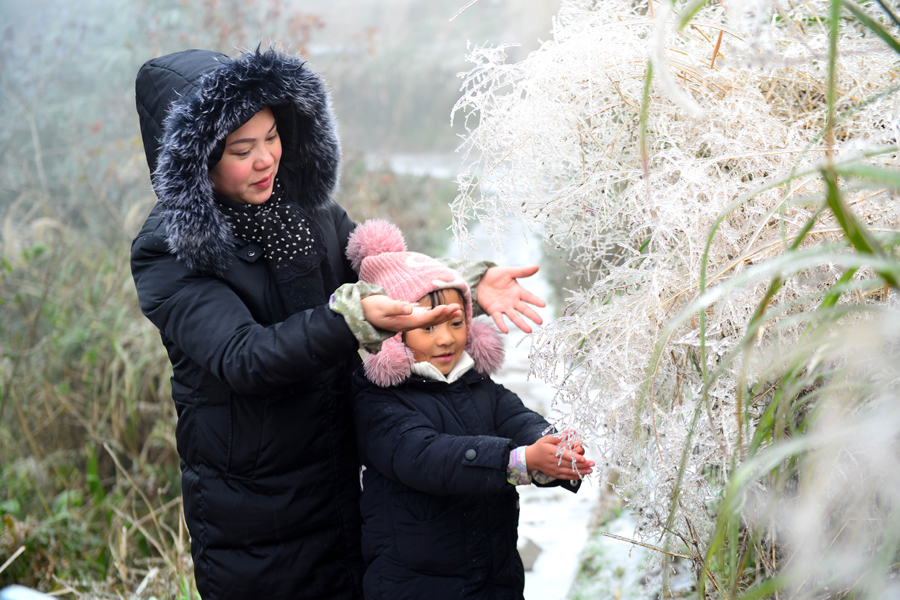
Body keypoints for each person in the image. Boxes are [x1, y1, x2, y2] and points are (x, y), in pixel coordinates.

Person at [131, 47, 548, 599]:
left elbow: (387, 274)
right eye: (241, 149)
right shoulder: (170, 251)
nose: (266, 160)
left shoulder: (309, 213)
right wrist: (348, 321)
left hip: (347, 485)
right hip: (261, 516)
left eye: (272, 137)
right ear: (195, 160)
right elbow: (243, 357)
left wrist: (469, 282)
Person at [348, 219, 595, 600]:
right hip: (415, 587)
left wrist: (550, 448)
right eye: (428, 327)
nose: (446, 338)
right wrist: (517, 461)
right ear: (394, 335)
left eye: (456, 322)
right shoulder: (379, 400)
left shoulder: (474, 383)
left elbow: (516, 418)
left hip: (495, 578)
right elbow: (427, 458)